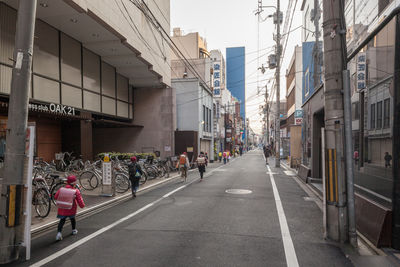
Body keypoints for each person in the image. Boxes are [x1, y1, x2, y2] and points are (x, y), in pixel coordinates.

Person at [54, 175, 85, 241]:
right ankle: (74, 230)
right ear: (74, 183)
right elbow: (80, 200)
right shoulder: (76, 191)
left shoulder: (61, 189)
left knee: (62, 221)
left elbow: (56, 197)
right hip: (71, 208)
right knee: (72, 219)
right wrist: (82, 205)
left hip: (62, 209)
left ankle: (59, 233)